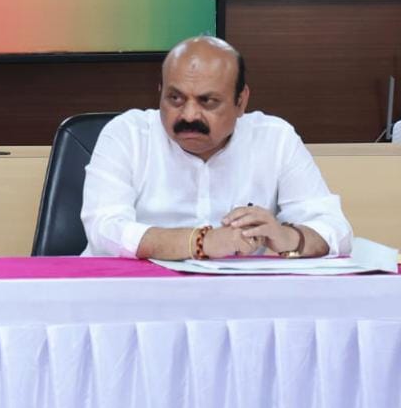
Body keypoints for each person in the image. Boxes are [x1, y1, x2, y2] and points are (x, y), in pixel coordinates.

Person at [81, 36, 351, 259]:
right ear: (160, 91)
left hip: (239, 297)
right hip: (135, 293)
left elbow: (336, 231)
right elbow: (105, 230)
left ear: (241, 101)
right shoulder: (127, 134)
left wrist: (287, 237)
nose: (189, 115)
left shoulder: (275, 139)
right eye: (175, 98)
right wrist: (201, 242)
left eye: (208, 101)